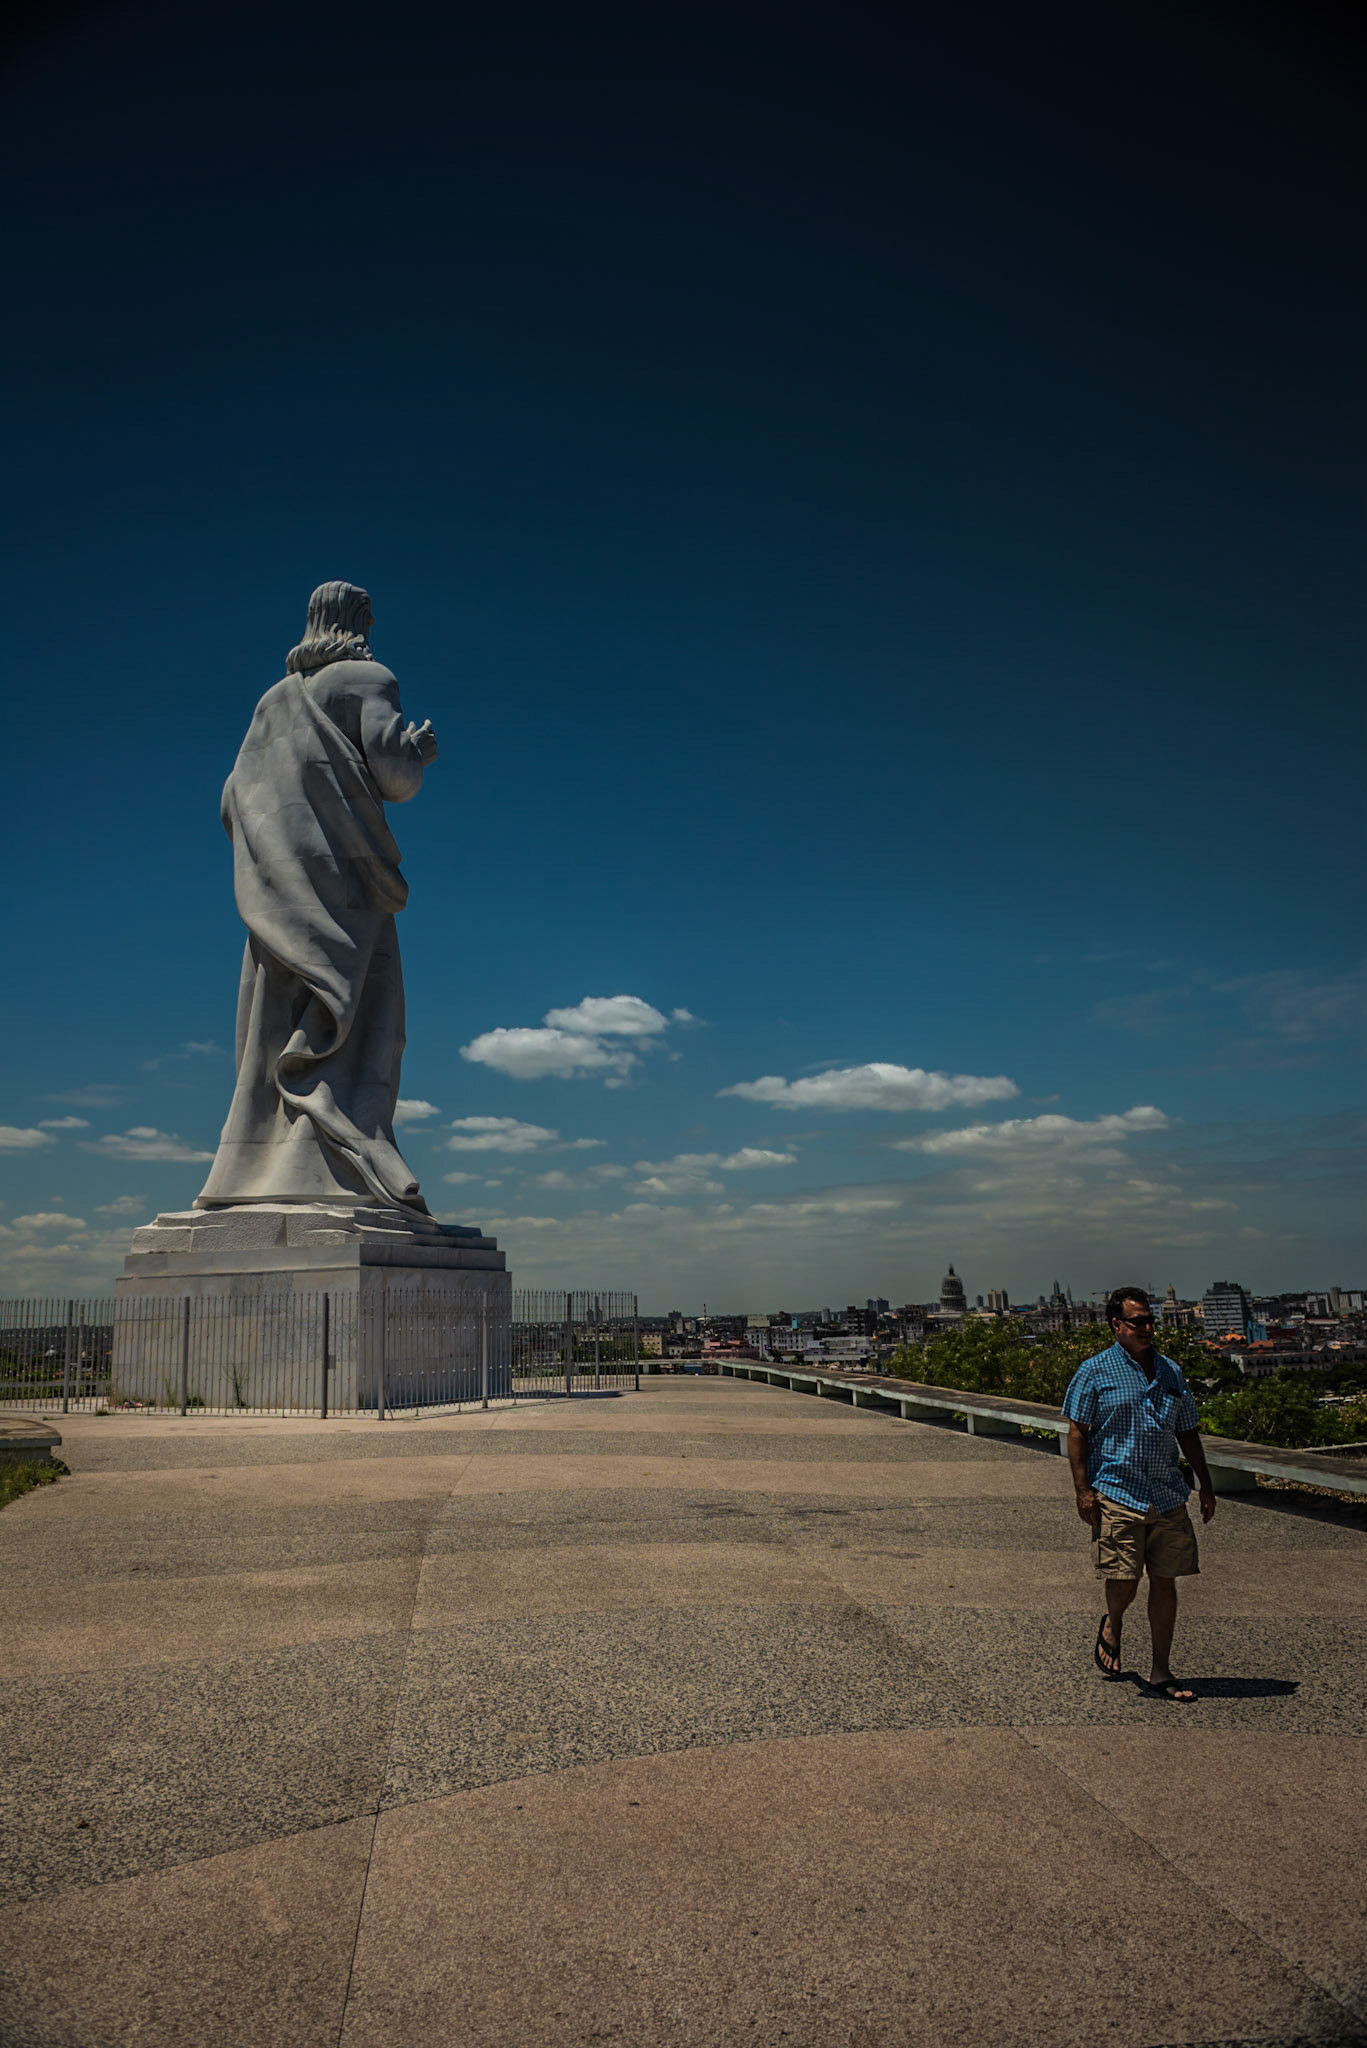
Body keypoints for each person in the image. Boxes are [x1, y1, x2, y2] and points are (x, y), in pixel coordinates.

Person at [196, 581, 439, 1214]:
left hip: (276, 891)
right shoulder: (368, 677)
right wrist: (417, 752)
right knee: (369, 1021)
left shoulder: (270, 703)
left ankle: (254, 1174)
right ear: (357, 621)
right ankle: (348, 1158)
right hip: (347, 887)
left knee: (274, 1034)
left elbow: (232, 801)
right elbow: (395, 776)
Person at [1063, 1287, 1216, 1701]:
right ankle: (1113, 1622)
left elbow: (1188, 1429)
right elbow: (1077, 1432)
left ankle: (1160, 1671)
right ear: (1117, 1325)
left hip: (1166, 1490)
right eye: (1138, 1322)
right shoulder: (1094, 1371)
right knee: (1124, 1578)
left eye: (1150, 1321)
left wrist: (1204, 1482)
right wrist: (1082, 1491)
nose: (1147, 1328)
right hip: (1117, 1488)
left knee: (1165, 1581)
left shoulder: (1170, 1372)